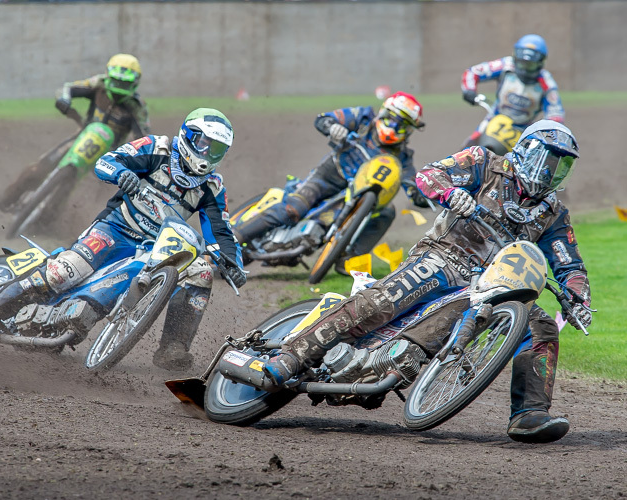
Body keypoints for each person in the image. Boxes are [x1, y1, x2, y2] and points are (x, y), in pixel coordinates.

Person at [225, 120, 591, 443]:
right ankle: (292, 355)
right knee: (383, 301)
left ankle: (529, 415)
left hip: (492, 284)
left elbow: (569, 263)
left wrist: (578, 297)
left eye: (562, 166)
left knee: (542, 325)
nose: (551, 172)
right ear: (526, 151)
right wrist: (452, 193)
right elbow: (429, 175)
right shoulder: (484, 162)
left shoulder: (553, 213)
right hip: (445, 256)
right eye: (548, 160)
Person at [0, 108, 247, 371]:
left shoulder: (212, 187)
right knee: (62, 271)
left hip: (156, 249)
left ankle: (173, 348)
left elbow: (220, 230)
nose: (208, 154)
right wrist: (122, 174)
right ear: (188, 136)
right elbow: (106, 161)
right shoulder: (156, 148)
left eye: (218, 149)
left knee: (202, 272)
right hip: (114, 230)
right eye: (204, 144)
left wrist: (233, 261)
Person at [232, 92, 430, 273]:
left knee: (387, 212)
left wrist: (424, 195)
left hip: (357, 195)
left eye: (404, 126)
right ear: (384, 113)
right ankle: (236, 236)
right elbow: (323, 119)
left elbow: (412, 186)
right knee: (295, 207)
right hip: (331, 174)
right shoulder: (363, 118)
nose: (396, 128)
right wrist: (332, 127)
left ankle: (349, 259)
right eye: (394, 120)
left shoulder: (403, 157)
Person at [0, 53, 152, 212]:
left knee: (95, 195)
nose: (118, 89)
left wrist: (136, 155)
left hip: (109, 155)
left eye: (124, 84)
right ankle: (6, 198)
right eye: (116, 82)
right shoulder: (98, 84)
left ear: (134, 83)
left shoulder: (137, 107)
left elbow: (143, 138)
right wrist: (64, 100)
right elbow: (68, 88)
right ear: (109, 76)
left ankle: (53, 217)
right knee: (37, 170)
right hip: (81, 138)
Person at [461, 34, 565, 148]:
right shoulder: (505, 65)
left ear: (540, 63)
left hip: (523, 133)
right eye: (522, 63)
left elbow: (555, 114)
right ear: (515, 57)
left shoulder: (547, 83)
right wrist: (469, 91)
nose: (524, 69)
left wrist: (550, 133)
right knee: (468, 148)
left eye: (530, 65)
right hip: (494, 118)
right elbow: (473, 72)